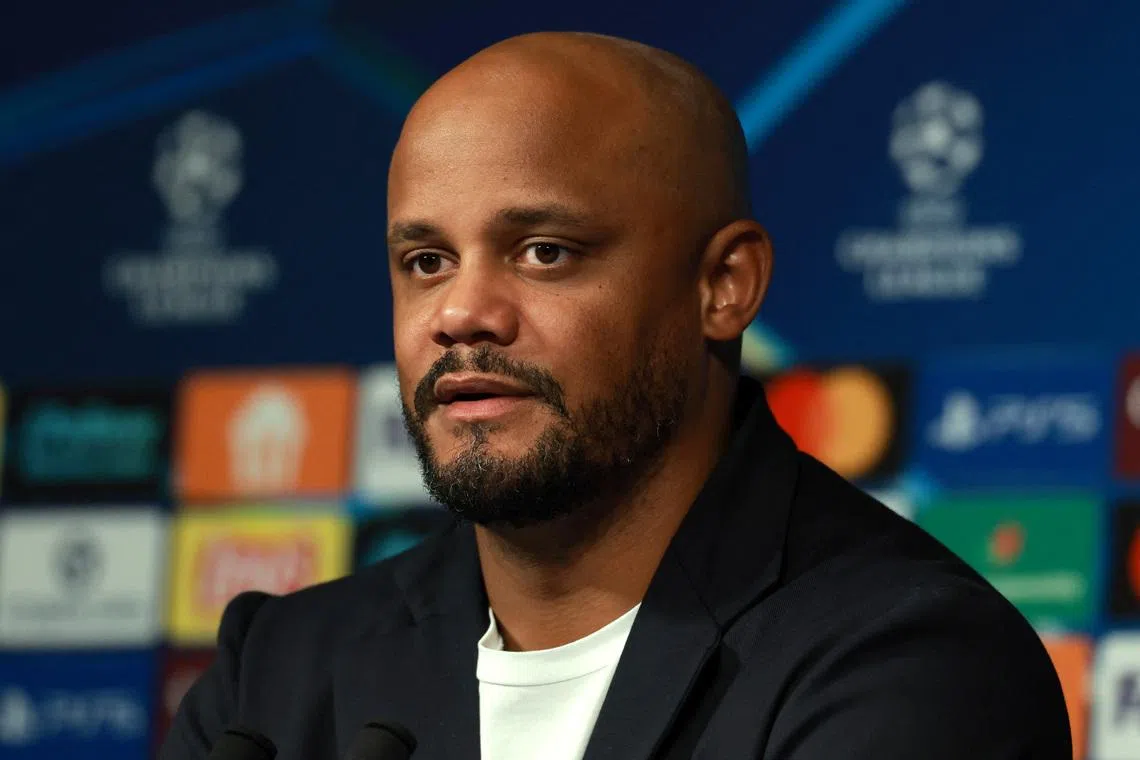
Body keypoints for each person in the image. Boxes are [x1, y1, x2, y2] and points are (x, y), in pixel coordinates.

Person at [161, 32, 1071, 760]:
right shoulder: (274, 677)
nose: (462, 312)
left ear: (725, 285)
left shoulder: (911, 664)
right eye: (426, 262)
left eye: (544, 251)